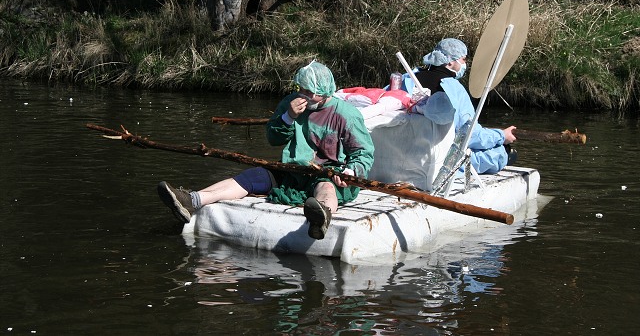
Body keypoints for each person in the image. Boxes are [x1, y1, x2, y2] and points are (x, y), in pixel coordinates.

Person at [157, 61, 375, 240]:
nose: (302, 95)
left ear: (324, 92)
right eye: (300, 89)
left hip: (329, 174)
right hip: (293, 170)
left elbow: (363, 152)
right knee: (254, 175)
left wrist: (352, 171)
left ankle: (321, 216)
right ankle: (192, 200)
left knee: (325, 187)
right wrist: (288, 117)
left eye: (308, 92)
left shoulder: (346, 114)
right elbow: (273, 138)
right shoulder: (290, 104)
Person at [400, 38, 517, 174]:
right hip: (438, 158)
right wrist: (502, 136)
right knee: (500, 152)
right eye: (463, 59)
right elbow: (470, 135)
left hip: (404, 151)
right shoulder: (454, 89)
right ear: (450, 61)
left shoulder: (405, 79)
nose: (465, 64)